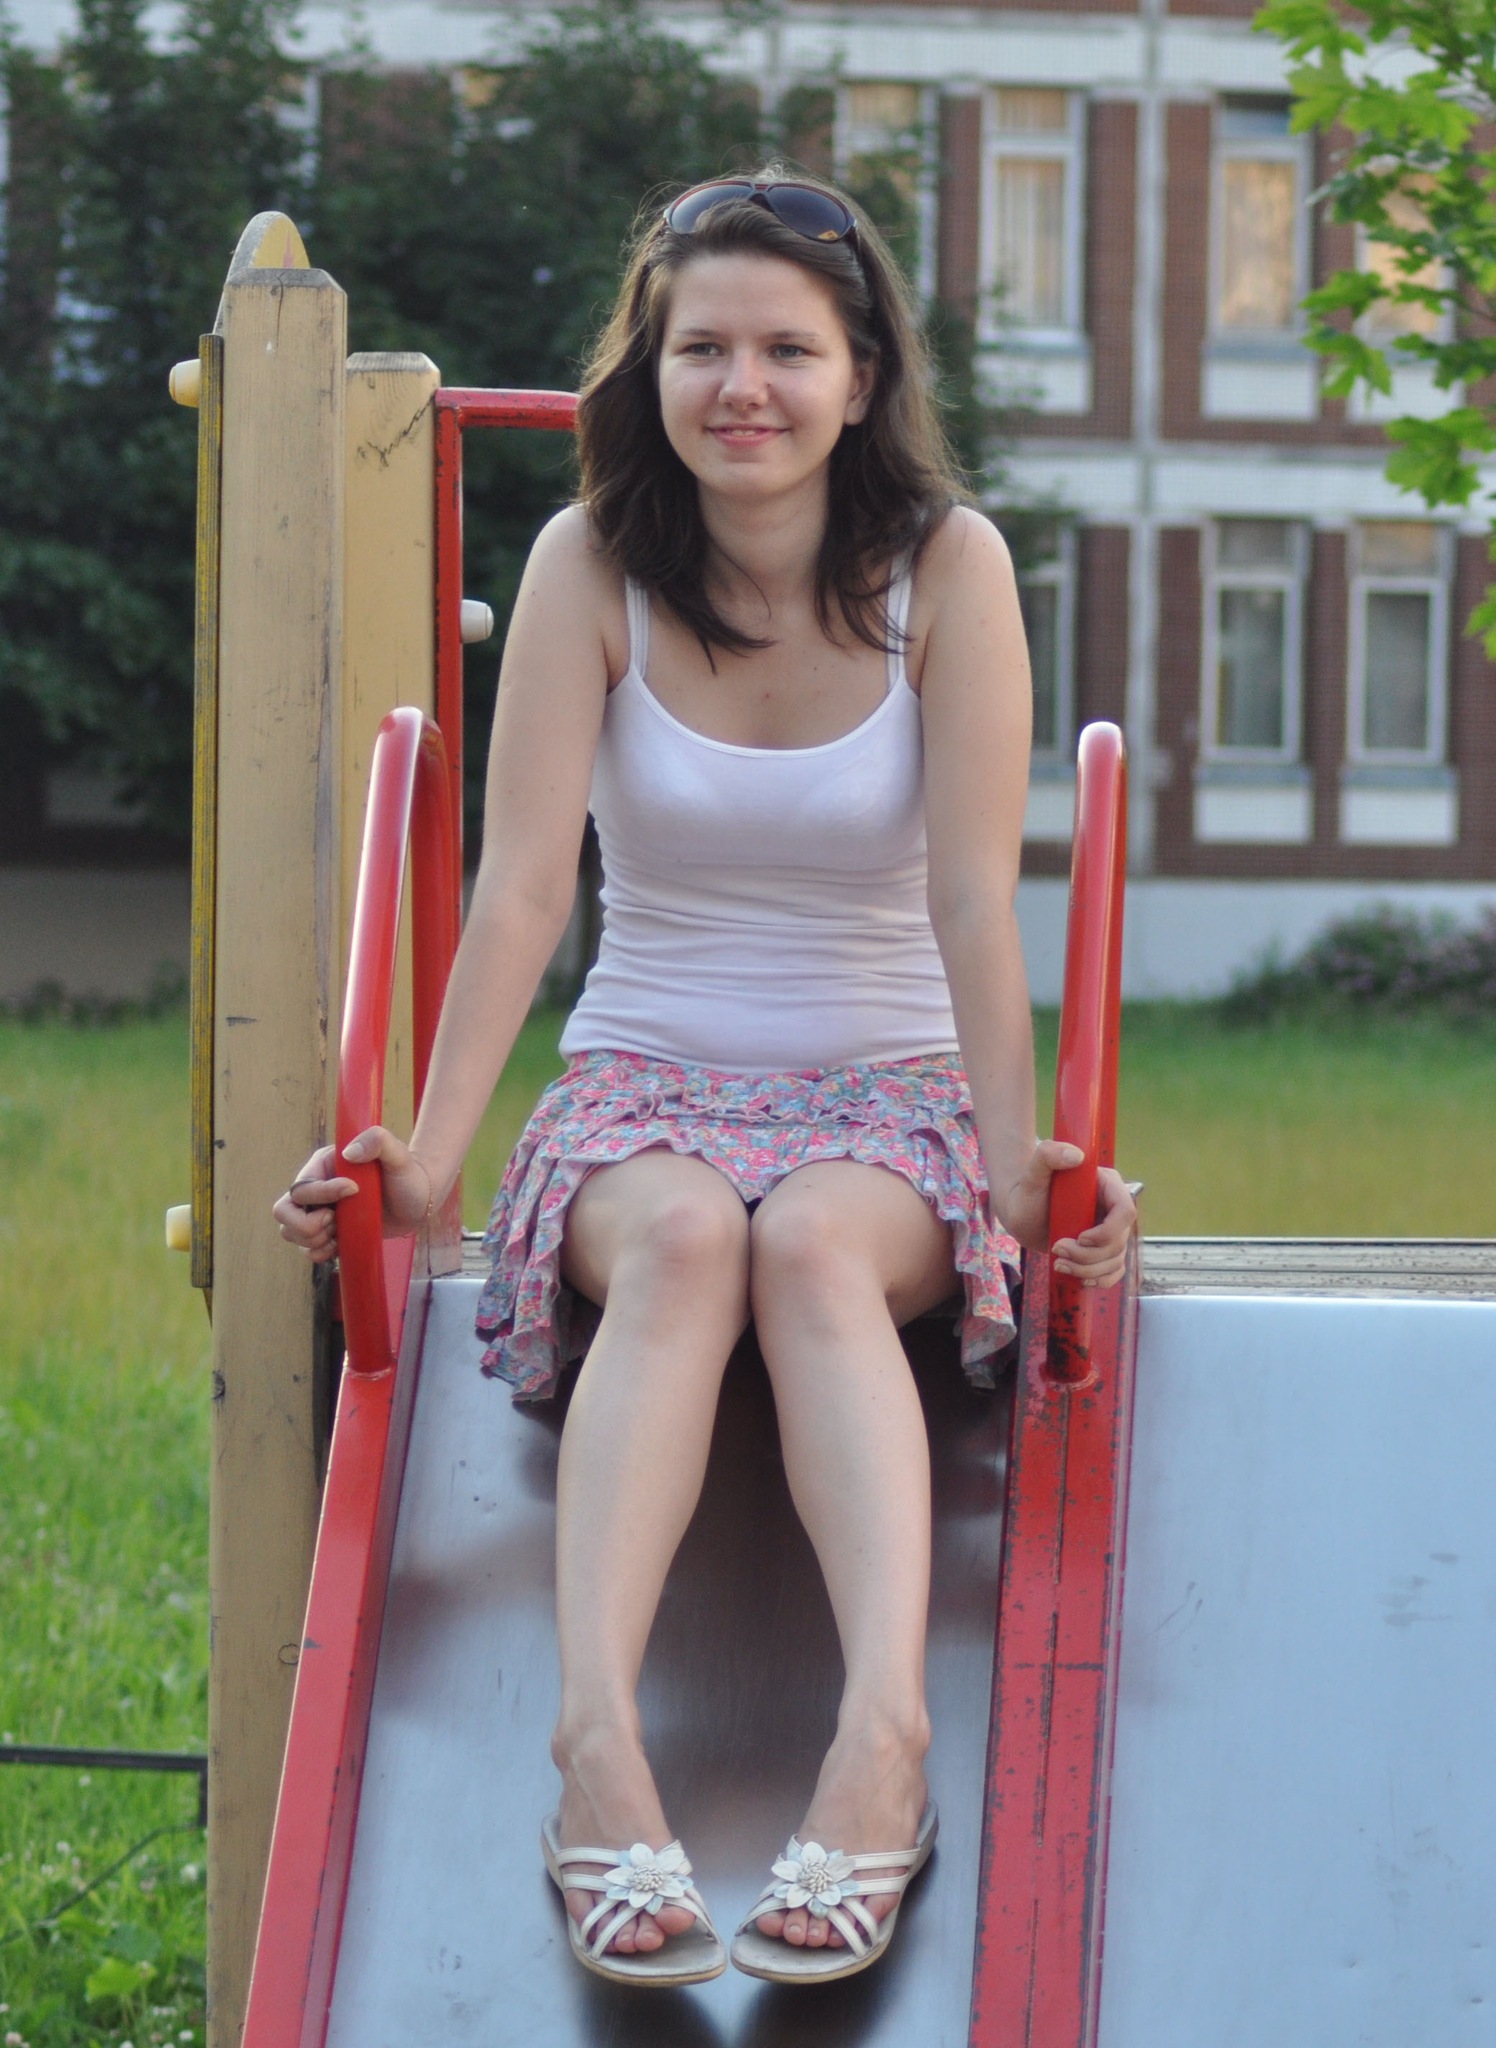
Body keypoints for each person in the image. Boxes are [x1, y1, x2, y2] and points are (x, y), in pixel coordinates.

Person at [274, 169, 1135, 1989]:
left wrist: (1022, 1169)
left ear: (861, 372)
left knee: (810, 1245)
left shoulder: (948, 570)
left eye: (788, 351)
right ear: (649, 370)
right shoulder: (590, 564)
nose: (744, 387)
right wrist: (421, 1160)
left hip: (884, 1085)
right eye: (703, 349)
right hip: (643, 1075)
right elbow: (522, 890)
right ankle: (596, 1752)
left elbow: (973, 904)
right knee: (683, 1243)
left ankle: (882, 1746)